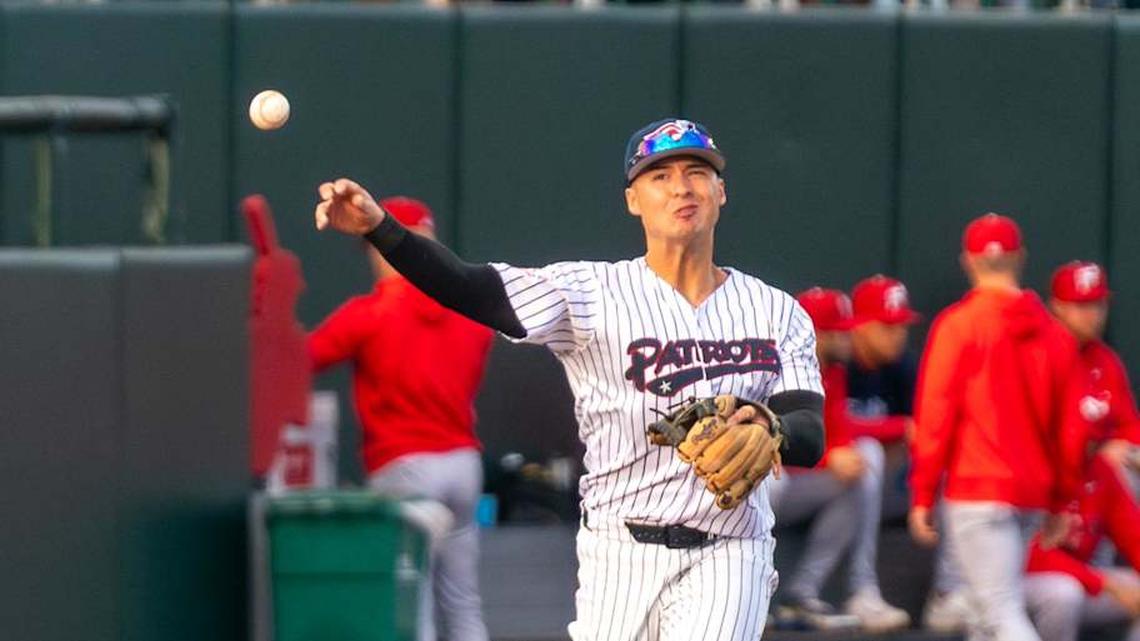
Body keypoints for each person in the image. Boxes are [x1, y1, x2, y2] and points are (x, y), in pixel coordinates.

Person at [312, 117, 826, 641]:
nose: (681, 186)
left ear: (721, 192)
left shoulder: (775, 311)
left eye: (696, 171)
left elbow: (809, 427)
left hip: (730, 549)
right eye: (659, 175)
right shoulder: (591, 293)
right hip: (618, 550)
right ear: (634, 200)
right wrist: (383, 229)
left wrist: (774, 429)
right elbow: (469, 286)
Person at [307, 197, 495, 641]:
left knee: (410, 605)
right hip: (463, 464)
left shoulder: (371, 313)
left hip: (405, 469)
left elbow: (301, 358)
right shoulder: (472, 314)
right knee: (463, 603)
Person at [908, 213, 1087, 641]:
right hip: (1029, 494)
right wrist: (1062, 500)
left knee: (1000, 615)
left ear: (968, 261)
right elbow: (1072, 429)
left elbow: (935, 416)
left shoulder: (958, 325)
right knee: (986, 614)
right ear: (1020, 258)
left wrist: (921, 492)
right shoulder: (1057, 334)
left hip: (977, 490)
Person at [768, 287, 910, 633]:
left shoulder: (834, 371)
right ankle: (752, 592)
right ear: (812, 332)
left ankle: (801, 593)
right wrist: (831, 457)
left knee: (865, 462)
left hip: (798, 488)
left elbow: (840, 435)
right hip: (756, 492)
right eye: (838, 331)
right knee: (773, 479)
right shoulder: (774, 367)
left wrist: (836, 456)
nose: (848, 338)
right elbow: (771, 440)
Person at [1047, 261, 1140, 478]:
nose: (1094, 316)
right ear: (1057, 306)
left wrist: (1121, 446)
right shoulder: (1042, 356)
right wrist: (1100, 453)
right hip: (1052, 479)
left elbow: (1129, 425)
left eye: (1099, 305)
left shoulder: (1105, 359)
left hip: (1098, 476)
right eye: (1082, 306)